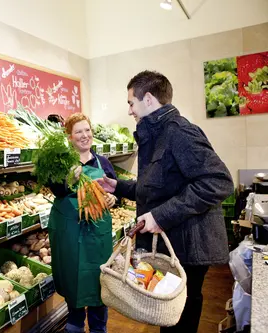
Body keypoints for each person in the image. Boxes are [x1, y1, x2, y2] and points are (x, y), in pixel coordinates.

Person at [98, 70, 234, 333]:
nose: (129, 110)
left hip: (188, 246)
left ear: (148, 99)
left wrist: (161, 216)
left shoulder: (180, 133)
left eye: (130, 103)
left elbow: (218, 181)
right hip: (178, 242)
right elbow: (158, 187)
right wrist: (119, 186)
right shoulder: (157, 134)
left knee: (180, 315)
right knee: (168, 314)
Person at [48, 112, 117, 333]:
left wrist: (113, 199)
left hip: (97, 235)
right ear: (70, 137)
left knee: (99, 285)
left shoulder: (103, 163)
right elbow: (56, 190)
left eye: (87, 130)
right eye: (78, 132)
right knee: (73, 282)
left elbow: (116, 191)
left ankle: (99, 328)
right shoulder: (62, 163)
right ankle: (74, 325)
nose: (84, 135)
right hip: (70, 233)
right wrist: (70, 179)